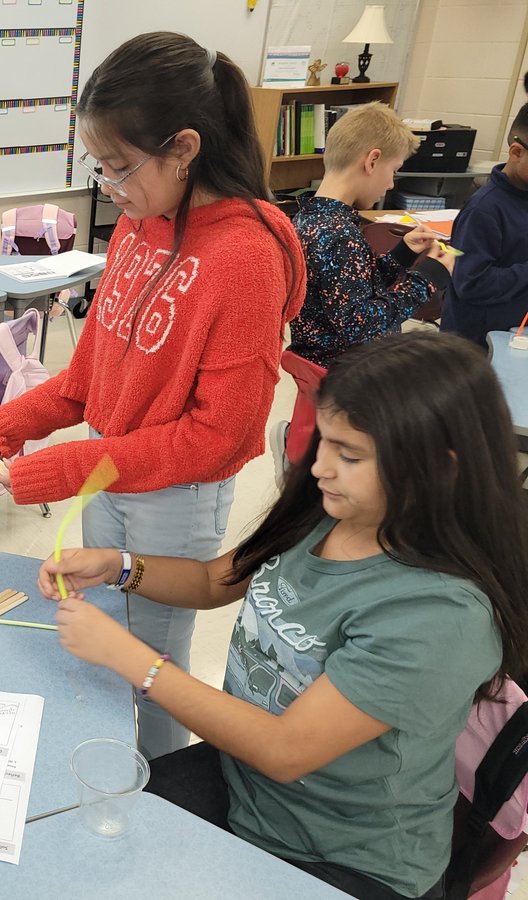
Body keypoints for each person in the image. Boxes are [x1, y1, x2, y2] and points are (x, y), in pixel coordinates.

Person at [40, 331, 528, 900]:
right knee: (71, 846)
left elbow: (285, 751)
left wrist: (131, 659)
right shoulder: (330, 517)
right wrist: (118, 566)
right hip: (243, 781)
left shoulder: (438, 613)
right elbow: (210, 580)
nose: (319, 466)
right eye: (324, 441)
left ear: (439, 468)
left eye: (349, 455)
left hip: (341, 856)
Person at [0, 32, 306, 759]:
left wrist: (73, 466)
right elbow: (90, 380)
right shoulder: (138, 224)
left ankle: (156, 787)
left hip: (174, 501)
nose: (109, 185)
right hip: (117, 480)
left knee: (148, 663)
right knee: (98, 637)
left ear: (184, 148)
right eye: (101, 165)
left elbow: (221, 438)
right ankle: (111, 763)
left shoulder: (244, 258)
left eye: (121, 166)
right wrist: (11, 420)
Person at [289, 102, 454, 367]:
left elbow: (349, 288)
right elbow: (360, 324)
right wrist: (426, 279)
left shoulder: (310, 218)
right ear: (372, 160)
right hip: (352, 380)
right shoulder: (341, 235)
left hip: (326, 366)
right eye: (394, 170)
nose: (390, 184)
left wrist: (402, 253)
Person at [441, 102, 528, 345]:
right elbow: (472, 283)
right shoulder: (484, 209)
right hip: (477, 344)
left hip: (515, 335)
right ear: (516, 152)